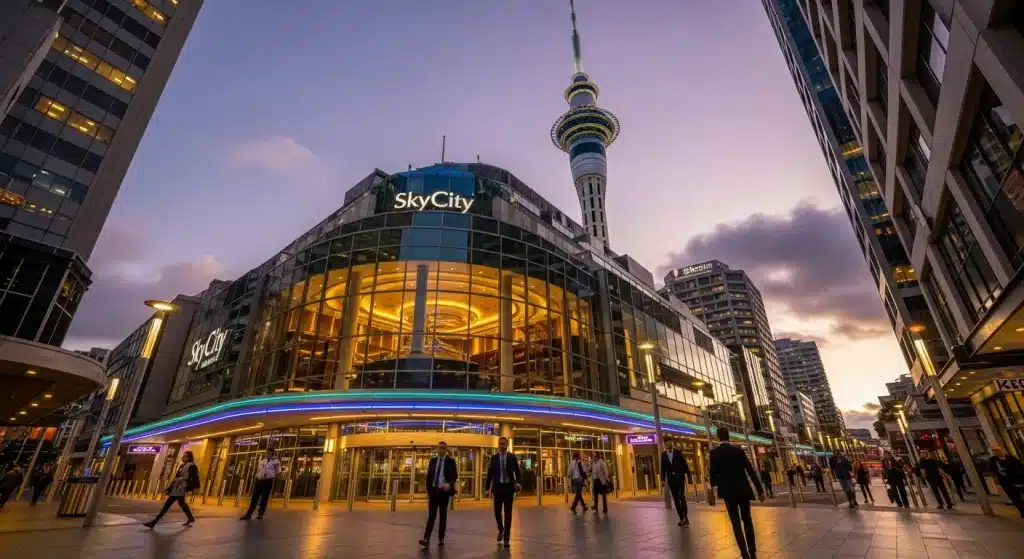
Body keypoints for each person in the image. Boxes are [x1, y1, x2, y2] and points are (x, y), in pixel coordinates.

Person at [710, 427, 765, 559]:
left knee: (735, 522)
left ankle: (744, 553)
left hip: (728, 492)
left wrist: (713, 490)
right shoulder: (739, 451)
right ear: (729, 436)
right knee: (747, 519)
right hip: (743, 489)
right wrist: (760, 490)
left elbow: (713, 474)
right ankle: (752, 551)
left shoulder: (714, 453)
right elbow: (750, 470)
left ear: (718, 437)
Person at [143, 450, 199, 528]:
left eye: (186, 456)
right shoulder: (182, 465)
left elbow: (195, 478)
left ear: (190, 457)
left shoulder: (192, 466)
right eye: (184, 455)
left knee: (167, 505)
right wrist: (169, 488)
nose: (184, 457)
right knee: (182, 504)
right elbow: (176, 478)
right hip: (177, 487)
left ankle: (154, 522)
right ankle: (190, 518)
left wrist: (195, 488)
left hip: (181, 487)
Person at [419, 441, 457, 548]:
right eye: (439, 447)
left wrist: (449, 484)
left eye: (443, 448)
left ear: (446, 449)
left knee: (442, 516)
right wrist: (428, 490)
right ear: (437, 449)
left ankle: (441, 538)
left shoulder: (450, 461)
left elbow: (455, 476)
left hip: (443, 492)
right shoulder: (433, 461)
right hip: (433, 492)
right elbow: (429, 476)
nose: (441, 449)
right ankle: (426, 538)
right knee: (431, 516)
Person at [484, 436, 521, 548]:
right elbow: (490, 474)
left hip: (508, 489)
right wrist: (487, 489)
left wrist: (518, 483)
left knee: (508, 514)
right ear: (498, 446)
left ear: (507, 445)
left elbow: (518, 472)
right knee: (497, 512)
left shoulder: (512, 457)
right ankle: (501, 529)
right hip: (498, 489)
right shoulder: (494, 458)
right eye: (500, 444)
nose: (502, 446)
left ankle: (506, 538)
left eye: (504, 443)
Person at [240, 447, 282, 520]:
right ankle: (248, 514)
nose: (267, 454)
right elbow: (259, 470)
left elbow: (278, 472)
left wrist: (274, 480)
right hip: (260, 480)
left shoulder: (276, 461)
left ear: (272, 453)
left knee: (264, 498)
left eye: (269, 452)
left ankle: (260, 514)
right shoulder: (263, 461)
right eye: (267, 452)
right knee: (254, 498)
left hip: (268, 481)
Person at [660, 440, 693, 526]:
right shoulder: (663, 455)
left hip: (679, 478)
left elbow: (684, 464)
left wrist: (688, 475)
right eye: (666, 443)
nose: (668, 444)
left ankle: (686, 516)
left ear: (672, 444)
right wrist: (663, 479)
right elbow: (663, 468)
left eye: (669, 442)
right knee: (676, 500)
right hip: (671, 480)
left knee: (681, 497)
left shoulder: (678, 452)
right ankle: (681, 518)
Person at [989, 444, 1024, 518]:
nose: (996, 452)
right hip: (1006, 482)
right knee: (1015, 499)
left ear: (1002, 450)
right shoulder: (994, 461)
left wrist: (1008, 471)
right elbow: (993, 470)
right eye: (994, 451)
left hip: (1018, 480)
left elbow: (1020, 467)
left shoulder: (1012, 458)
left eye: (997, 450)